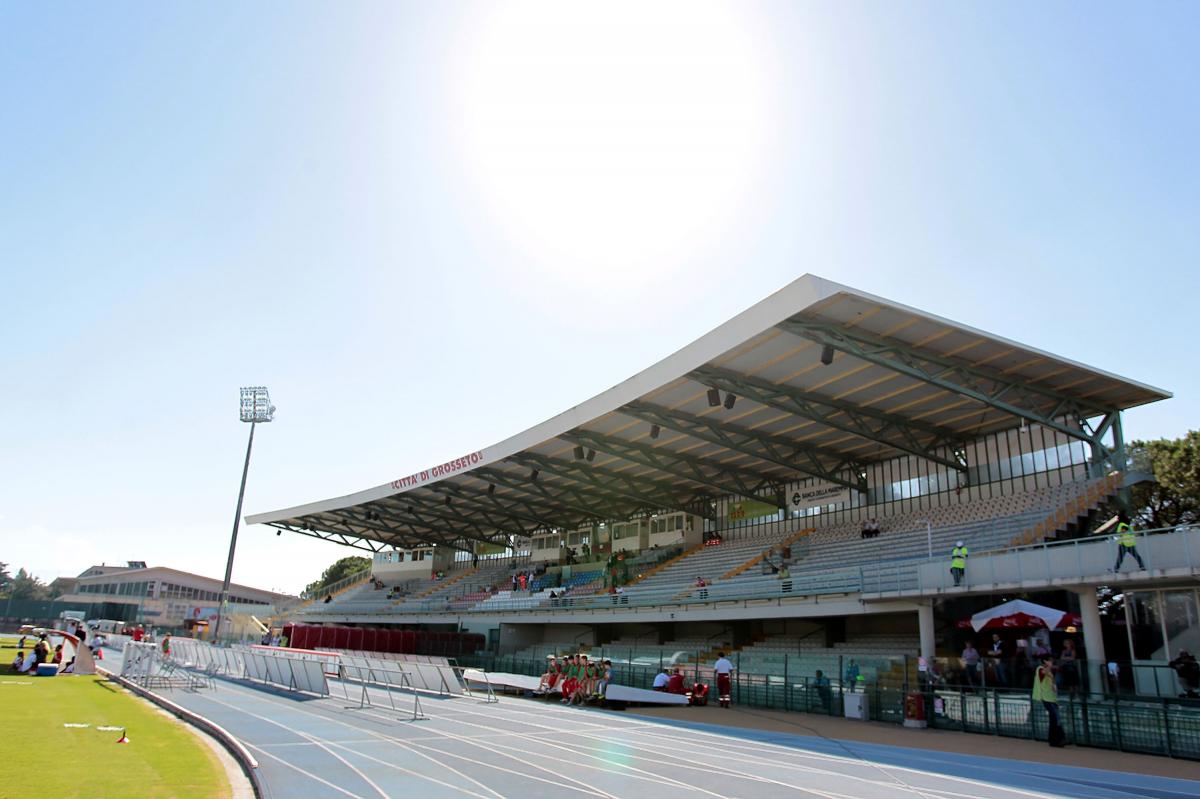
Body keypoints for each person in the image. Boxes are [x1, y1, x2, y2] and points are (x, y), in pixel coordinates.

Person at [1033, 655, 1066, 747]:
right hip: (1046, 698)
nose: (1052, 662)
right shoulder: (1040, 669)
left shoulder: (1049, 671)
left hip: (1052, 698)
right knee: (1055, 718)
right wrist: (1049, 666)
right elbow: (1043, 672)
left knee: (1055, 719)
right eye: (1050, 661)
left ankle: (1056, 739)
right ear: (1045, 661)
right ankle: (1058, 739)